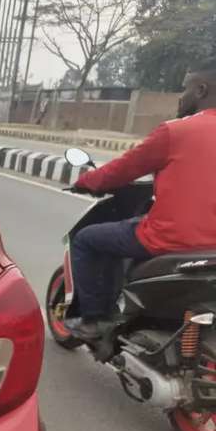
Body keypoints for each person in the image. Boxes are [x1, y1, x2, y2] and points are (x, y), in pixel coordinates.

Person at [66, 58, 216, 338]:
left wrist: (86, 182)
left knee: (87, 239)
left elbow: (121, 170)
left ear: (201, 89)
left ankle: (94, 319)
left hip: (173, 240)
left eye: (184, 88)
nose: (180, 96)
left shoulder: (175, 131)